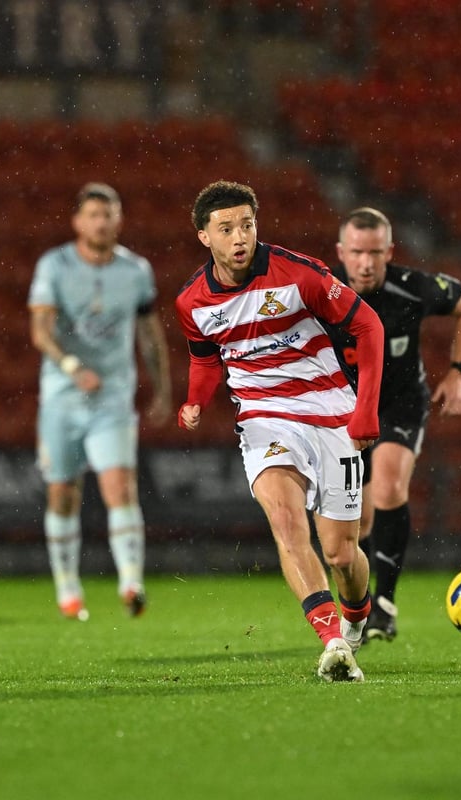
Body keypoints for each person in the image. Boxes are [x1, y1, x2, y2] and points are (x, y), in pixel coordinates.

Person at [175, 180, 384, 682]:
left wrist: (365, 412)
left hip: (331, 412)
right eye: (226, 229)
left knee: (340, 553)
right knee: (287, 523)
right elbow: (204, 360)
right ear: (205, 237)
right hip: (264, 418)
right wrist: (195, 401)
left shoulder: (299, 275)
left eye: (246, 224)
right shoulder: (192, 302)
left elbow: (368, 326)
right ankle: (332, 640)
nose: (239, 237)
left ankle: (356, 615)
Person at [328, 207, 461, 643]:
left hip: (399, 407)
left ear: (389, 251)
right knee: (355, 524)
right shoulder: (324, 292)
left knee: (390, 487)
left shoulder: (411, 287)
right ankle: (357, 607)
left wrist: (459, 372)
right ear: (342, 251)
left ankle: (385, 605)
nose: (366, 263)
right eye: (357, 252)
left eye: (376, 252)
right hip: (342, 411)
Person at [28, 182, 173, 621]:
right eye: (93, 214)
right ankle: (68, 589)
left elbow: (149, 332)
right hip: (62, 396)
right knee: (63, 493)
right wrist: (72, 367)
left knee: (120, 486)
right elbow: (41, 331)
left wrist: (163, 387)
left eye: (109, 214)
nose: (101, 222)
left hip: (112, 396)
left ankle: (131, 582)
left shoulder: (136, 270)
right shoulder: (54, 265)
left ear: (119, 220)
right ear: (77, 221)